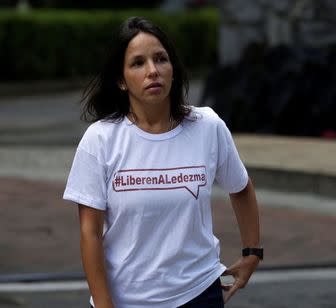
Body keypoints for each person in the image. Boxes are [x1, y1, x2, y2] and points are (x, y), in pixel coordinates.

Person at [63, 16, 262, 308]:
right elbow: (89, 233)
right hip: (126, 300)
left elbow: (241, 188)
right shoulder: (100, 140)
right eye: (138, 63)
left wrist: (252, 252)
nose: (152, 71)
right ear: (121, 80)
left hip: (198, 293)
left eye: (160, 59)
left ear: (173, 70)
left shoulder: (207, 126)